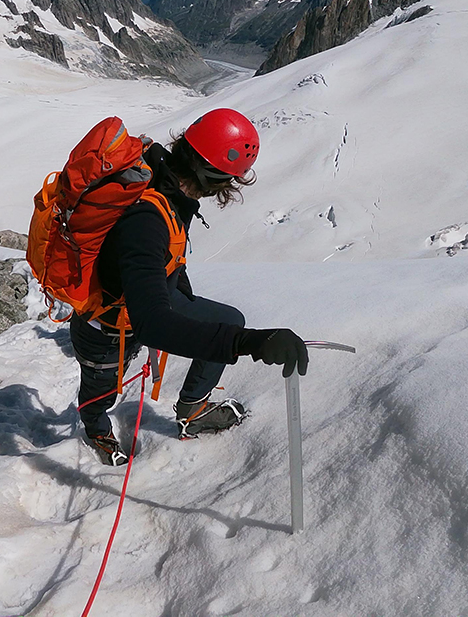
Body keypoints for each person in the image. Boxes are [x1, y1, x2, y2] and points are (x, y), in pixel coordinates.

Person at [71, 108, 310, 465]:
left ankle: (193, 410)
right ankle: (95, 428)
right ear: (212, 176)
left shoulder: (165, 182)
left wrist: (177, 285)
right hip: (105, 325)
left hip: (146, 299)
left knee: (229, 318)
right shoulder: (148, 218)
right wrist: (246, 343)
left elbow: (164, 258)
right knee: (100, 392)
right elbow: (152, 324)